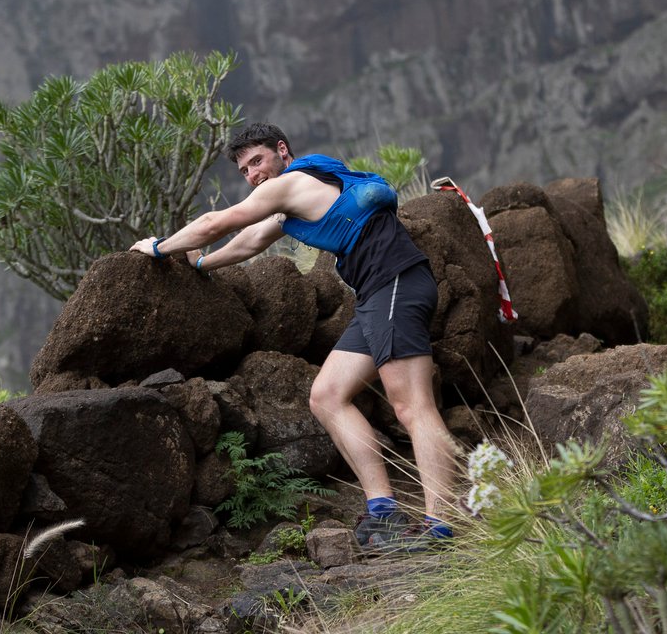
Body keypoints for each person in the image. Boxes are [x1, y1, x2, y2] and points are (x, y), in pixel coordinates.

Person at [130, 122, 457, 550]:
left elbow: (216, 222)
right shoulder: (303, 191)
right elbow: (248, 242)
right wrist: (199, 266)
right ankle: (384, 511)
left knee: (411, 405)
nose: (252, 175)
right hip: (378, 295)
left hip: (395, 282)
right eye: (244, 170)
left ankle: (442, 527)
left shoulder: (289, 183)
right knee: (327, 395)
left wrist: (158, 248)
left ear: (281, 151)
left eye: (257, 161)